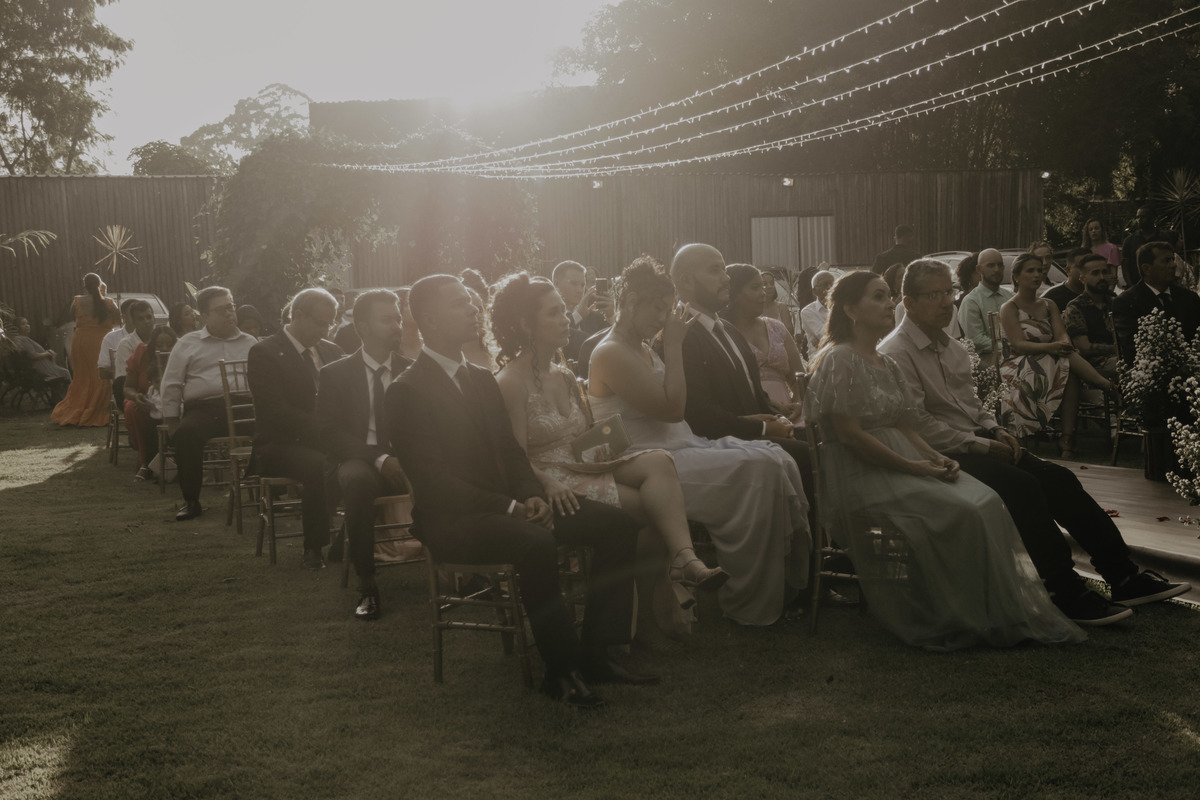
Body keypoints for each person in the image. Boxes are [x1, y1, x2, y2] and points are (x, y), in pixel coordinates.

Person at [388, 274, 653, 709]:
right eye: (459, 304)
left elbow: (511, 451)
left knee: (618, 525)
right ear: (430, 320)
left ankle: (599, 654)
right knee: (535, 541)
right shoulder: (406, 389)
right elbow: (433, 481)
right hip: (454, 520)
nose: (472, 309)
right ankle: (562, 671)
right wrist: (511, 505)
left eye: (471, 301)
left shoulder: (479, 377)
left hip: (508, 507)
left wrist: (531, 493)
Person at [880, 260, 1189, 623]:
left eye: (949, 292)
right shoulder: (895, 353)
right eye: (934, 294)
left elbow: (971, 405)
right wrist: (982, 444)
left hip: (977, 440)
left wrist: (996, 429)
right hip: (938, 453)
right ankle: (1062, 589)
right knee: (1023, 487)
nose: (947, 302)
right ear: (909, 302)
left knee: (1060, 478)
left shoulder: (951, 347)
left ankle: (1123, 576)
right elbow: (918, 424)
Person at [806, 269, 1085, 650]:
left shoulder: (885, 363)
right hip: (862, 473)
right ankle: (956, 612)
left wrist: (937, 458)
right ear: (850, 309)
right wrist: (914, 467)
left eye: (888, 295)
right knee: (962, 510)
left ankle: (989, 609)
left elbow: (906, 426)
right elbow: (850, 435)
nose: (889, 303)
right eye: (878, 296)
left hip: (904, 459)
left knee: (986, 500)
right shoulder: (840, 359)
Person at [490, 273, 727, 648]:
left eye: (564, 310)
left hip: (581, 464)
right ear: (525, 324)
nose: (565, 319)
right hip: (549, 478)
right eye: (554, 313)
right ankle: (640, 618)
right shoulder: (509, 382)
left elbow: (583, 436)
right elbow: (513, 456)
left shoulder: (564, 374)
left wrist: (606, 440)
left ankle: (685, 559)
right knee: (646, 511)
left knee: (659, 460)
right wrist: (548, 482)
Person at [589, 257, 810, 627]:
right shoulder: (610, 352)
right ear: (631, 300)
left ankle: (775, 588)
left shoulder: (641, 347)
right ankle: (745, 596)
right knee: (759, 469)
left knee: (776, 458)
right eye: (658, 309)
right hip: (648, 460)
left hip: (682, 445)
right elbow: (673, 408)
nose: (664, 319)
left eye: (667, 309)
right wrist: (675, 346)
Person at [670, 245, 811, 475]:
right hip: (721, 445)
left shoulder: (727, 329)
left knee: (829, 440)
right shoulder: (679, 335)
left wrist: (779, 416)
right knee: (811, 457)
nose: (726, 278)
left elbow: (749, 393)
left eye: (724, 270)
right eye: (714, 271)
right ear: (686, 281)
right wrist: (763, 427)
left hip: (756, 434)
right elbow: (697, 413)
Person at [316, 290, 411, 621]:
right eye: (387, 320)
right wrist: (380, 460)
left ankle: (461, 569)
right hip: (359, 457)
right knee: (357, 482)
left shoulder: (411, 370)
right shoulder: (335, 373)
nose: (397, 325)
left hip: (407, 457)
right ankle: (367, 584)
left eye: (398, 318)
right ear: (363, 327)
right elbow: (329, 432)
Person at [249, 288, 344, 570]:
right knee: (320, 465)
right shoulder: (264, 352)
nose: (326, 330)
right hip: (281, 444)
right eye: (321, 323)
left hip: (326, 438)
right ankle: (314, 547)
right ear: (298, 315)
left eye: (330, 324)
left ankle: (350, 539)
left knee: (368, 458)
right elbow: (275, 411)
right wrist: (328, 432)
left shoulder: (332, 350)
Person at [161, 286, 258, 521]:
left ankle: (272, 494)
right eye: (221, 310)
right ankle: (191, 501)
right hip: (206, 410)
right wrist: (172, 421)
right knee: (186, 435)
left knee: (275, 429)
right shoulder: (188, 343)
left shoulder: (250, 343)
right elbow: (172, 383)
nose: (229, 313)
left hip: (245, 407)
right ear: (204, 316)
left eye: (231, 307)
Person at [998, 254, 1114, 444]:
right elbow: (1019, 345)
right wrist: (1052, 347)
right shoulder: (1009, 307)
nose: (1037, 275)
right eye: (1030, 271)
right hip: (1017, 360)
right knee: (1064, 363)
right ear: (1017, 276)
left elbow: (1061, 334)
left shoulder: (1048, 304)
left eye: (1039, 270)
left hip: (1050, 355)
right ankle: (1106, 386)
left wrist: (1063, 343)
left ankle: (1067, 437)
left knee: (1067, 367)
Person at [722, 264, 806, 411]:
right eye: (755, 288)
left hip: (787, 412)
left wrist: (798, 403)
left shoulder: (776, 328)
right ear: (734, 293)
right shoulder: (720, 332)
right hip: (744, 412)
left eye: (763, 287)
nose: (763, 293)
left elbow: (798, 379)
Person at [1113, 241, 1200, 364]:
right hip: (1153, 369)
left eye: (1172, 259)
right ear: (1146, 268)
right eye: (1166, 261)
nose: (1174, 265)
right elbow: (1133, 350)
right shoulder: (1127, 303)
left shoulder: (1189, 297)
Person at [51, 273, 119, 427]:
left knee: (82, 376)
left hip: (81, 342)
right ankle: (99, 408)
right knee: (100, 375)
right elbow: (118, 321)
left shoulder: (77, 301)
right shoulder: (109, 303)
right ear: (100, 284)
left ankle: (79, 407)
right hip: (101, 341)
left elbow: (73, 319)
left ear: (85, 286)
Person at [124, 325, 178, 480]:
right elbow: (127, 387)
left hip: (176, 401)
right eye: (159, 345)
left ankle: (173, 462)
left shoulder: (181, 355)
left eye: (169, 345)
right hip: (147, 400)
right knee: (133, 409)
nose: (164, 349)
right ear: (152, 346)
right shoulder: (142, 354)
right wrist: (137, 397)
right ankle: (146, 462)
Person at [1063, 254, 1119, 378]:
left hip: (1121, 358)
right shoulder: (1075, 307)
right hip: (1095, 365)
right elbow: (1084, 348)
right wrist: (1118, 349)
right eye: (1095, 273)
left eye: (1105, 272)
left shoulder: (1116, 302)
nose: (1102, 277)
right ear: (1082, 279)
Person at [958, 248, 1013, 358]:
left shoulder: (1011, 297)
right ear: (979, 270)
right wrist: (1010, 347)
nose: (996, 270)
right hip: (986, 359)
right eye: (991, 265)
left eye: (1000, 265)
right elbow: (976, 340)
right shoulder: (971, 301)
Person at [10, 317, 71, 401]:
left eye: (27, 323)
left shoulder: (19, 339)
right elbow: (33, 355)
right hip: (39, 368)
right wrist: (47, 353)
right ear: (17, 327)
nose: (27, 326)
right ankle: (68, 398)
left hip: (37, 367)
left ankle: (58, 397)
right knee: (65, 372)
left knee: (62, 369)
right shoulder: (22, 339)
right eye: (23, 324)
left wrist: (47, 353)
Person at [113, 300, 155, 406]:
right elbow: (123, 380)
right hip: (136, 393)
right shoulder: (126, 344)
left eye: (149, 317)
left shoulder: (164, 338)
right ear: (134, 322)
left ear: (154, 318)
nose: (146, 321)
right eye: (141, 319)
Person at [1121, 207, 1165, 291]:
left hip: (1160, 287)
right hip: (1136, 287)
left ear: (1152, 218)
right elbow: (1125, 266)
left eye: (1143, 217)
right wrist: (1131, 287)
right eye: (1138, 217)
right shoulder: (1129, 241)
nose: (1139, 220)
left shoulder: (1163, 238)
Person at [98, 297, 137, 382]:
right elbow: (102, 372)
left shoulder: (152, 337)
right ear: (124, 317)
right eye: (133, 315)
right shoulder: (111, 338)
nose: (137, 318)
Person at [1043, 247, 1091, 312]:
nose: (1088, 271)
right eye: (1081, 267)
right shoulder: (1051, 298)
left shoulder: (1101, 294)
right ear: (1068, 270)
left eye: (1091, 267)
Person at [799, 270, 835, 354]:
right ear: (814, 291)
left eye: (832, 284)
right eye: (825, 284)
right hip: (820, 357)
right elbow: (824, 335)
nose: (829, 287)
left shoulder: (844, 307)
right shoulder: (808, 311)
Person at [760, 267, 796, 337]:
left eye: (772, 283)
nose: (770, 286)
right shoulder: (752, 309)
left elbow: (789, 332)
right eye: (764, 284)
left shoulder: (781, 308)